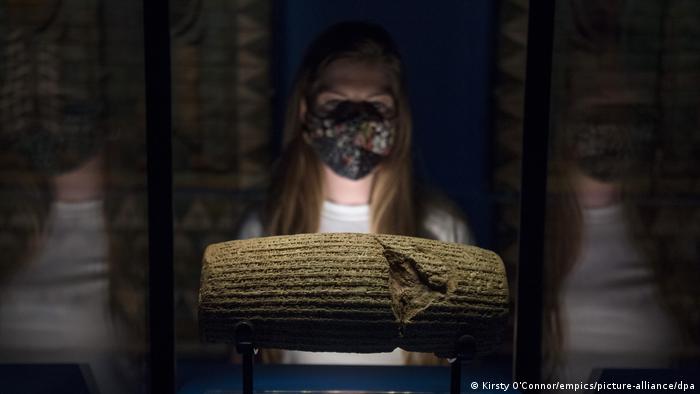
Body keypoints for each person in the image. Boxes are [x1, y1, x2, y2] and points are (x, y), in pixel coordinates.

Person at [237, 21, 473, 365]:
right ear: (305, 112)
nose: (357, 121)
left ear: (398, 119)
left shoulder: (443, 232)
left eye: (375, 105)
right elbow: (240, 368)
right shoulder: (262, 232)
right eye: (336, 103)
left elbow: (463, 369)